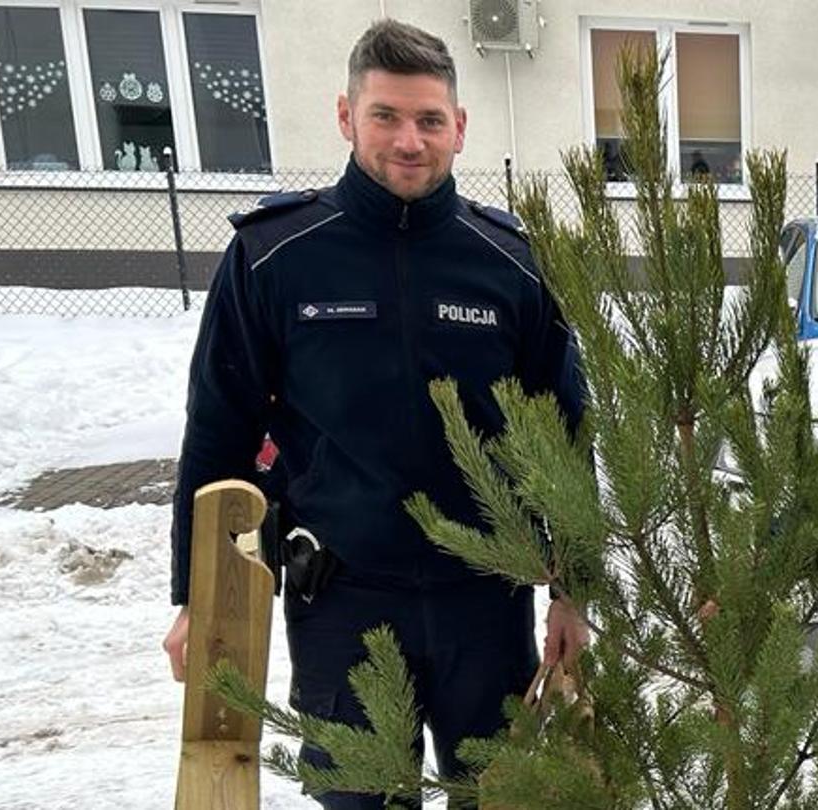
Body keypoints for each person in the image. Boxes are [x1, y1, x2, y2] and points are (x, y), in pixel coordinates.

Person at [159, 20, 588, 808]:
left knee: (501, 798)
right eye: (385, 115)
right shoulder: (276, 257)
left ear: (460, 127)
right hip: (342, 604)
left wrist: (574, 590)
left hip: (485, 605)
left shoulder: (510, 263)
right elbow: (218, 430)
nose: (409, 141)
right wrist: (198, 597)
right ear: (346, 116)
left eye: (429, 119)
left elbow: (565, 433)